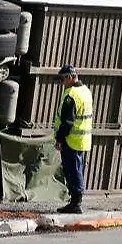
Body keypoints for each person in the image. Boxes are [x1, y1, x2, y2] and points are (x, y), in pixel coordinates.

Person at [53, 64, 93, 214]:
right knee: (77, 169)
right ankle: (75, 200)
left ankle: (75, 202)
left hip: (72, 140)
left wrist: (60, 139)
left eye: (63, 79)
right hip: (82, 139)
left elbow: (67, 121)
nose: (62, 83)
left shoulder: (71, 95)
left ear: (70, 77)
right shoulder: (86, 91)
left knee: (73, 171)